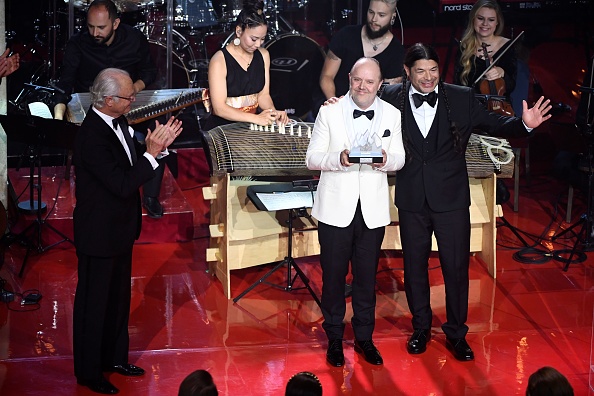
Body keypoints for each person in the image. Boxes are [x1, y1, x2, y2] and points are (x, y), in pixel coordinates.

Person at [380, 43, 551, 361]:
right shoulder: (390, 95)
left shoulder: (459, 96)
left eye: (433, 70)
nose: (428, 77)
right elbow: (362, 107)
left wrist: (525, 124)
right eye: (420, 71)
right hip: (412, 198)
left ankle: (457, 333)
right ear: (407, 72)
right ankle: (421, 328)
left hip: (451, 199)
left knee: (455, 269)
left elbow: (496, 124)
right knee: (414, 268)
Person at [72, 68, 181, 394]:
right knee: (94, 305)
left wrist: (152, 151)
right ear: (107, 100)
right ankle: (89, 373)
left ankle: (115, 358)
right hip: (98, 233)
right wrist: (150, 154)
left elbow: (131, 168)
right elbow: (121, 184)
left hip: (119, 229)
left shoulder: (119, 122)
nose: (134, 99)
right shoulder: (91, 136)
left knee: (118, 300)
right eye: (127, 97)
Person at [306, 57, 406, 367]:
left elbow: (400, 159)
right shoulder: (330, 111)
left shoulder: (392, 114)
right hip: (335, 210)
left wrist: (385, 160)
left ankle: (364, 339)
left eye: (370, 81)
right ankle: (334, 337)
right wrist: (341, 158)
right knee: (334, 278)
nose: (362, 86)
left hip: (372, 212)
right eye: (357, 79)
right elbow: (312, 159)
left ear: (380, 84)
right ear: (349, 78)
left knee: (366, 279)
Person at [53, 0, 166, 219]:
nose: (94, 32)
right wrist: (59, 120)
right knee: (100, 142)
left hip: (128, 103)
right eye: (90, 26)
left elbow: (149, 71)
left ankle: (150, 196)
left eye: (101, 27)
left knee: (157, 131)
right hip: (95, 110)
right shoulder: (78, 44)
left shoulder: (134, 39)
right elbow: (65, 84)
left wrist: (133, 88)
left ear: (115, 23)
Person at [203, 0, 289, 130]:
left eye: (262, 39)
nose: (258, 44)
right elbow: (219, 108)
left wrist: (273, 113)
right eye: (253, 39)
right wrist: (257, 118)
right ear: (239, 31)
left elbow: (263, 96)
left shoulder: (264, 55)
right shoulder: (219, 60)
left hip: (251, 126)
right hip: (223, 129)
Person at [318, 0, 405, 105]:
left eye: (381, 15)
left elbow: (389, 94)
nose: (374, 19)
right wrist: (335, 103)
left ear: (392, 17)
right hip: (336, 103)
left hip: (371, 111)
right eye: (371, 12)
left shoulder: (396, 51)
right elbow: (327, 76)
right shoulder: (346, 35)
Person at [454, 0, 517, 99]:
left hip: (499, 107)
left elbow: (511, 86)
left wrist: (502, 72)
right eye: (480, 18)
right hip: (471, 107)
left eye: (491, 20)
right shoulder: (464, 47)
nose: (485, 24)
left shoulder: (507, 46)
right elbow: (457, 85)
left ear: (497, 22)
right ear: (473, 20)